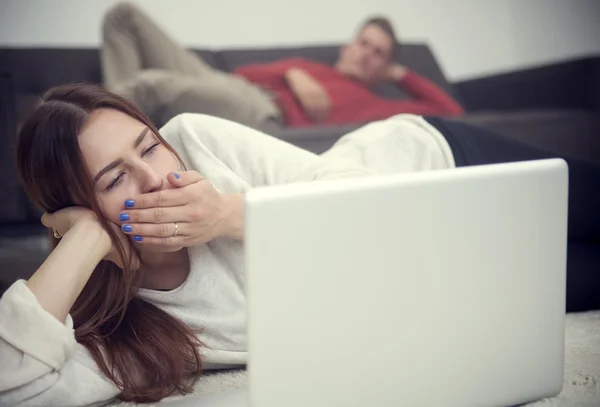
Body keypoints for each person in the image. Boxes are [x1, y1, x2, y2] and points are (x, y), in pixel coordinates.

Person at [0, 83, 598, 407]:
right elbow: (14, 384)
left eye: (149, 146)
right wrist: (82, 243)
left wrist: (232, 215)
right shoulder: (130, 333)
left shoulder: (199, 142)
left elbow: (360, 200)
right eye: (114, 179)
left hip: (434, 163)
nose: (155, 177)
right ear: (81, 208)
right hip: (435, 277)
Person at [101, 2, 463, 132]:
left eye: (379, 53)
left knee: (152, 85)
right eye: (364, 43)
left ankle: (97, 127)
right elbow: (242, 76)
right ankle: (111, 122)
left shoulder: (378, 105)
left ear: (385, 66)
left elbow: (451, 111)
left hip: (261, 110)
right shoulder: (305, 65)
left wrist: (399, 75)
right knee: (123, 15)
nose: (367, 54)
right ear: (348, 45)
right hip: (230, 85)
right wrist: (293, 74)